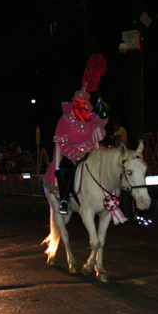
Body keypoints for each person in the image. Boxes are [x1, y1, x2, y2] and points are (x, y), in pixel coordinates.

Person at [45, 54, 108, 214]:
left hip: (91, 153)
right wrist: (77, 152)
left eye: (88, 104)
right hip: (71, 154)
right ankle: (65, 200)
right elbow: (61, 143)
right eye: (83, 104)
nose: (87, 107)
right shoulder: (64, 121)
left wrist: (102, 115)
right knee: (63, 171)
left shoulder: (92, 119)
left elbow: (99, 136)